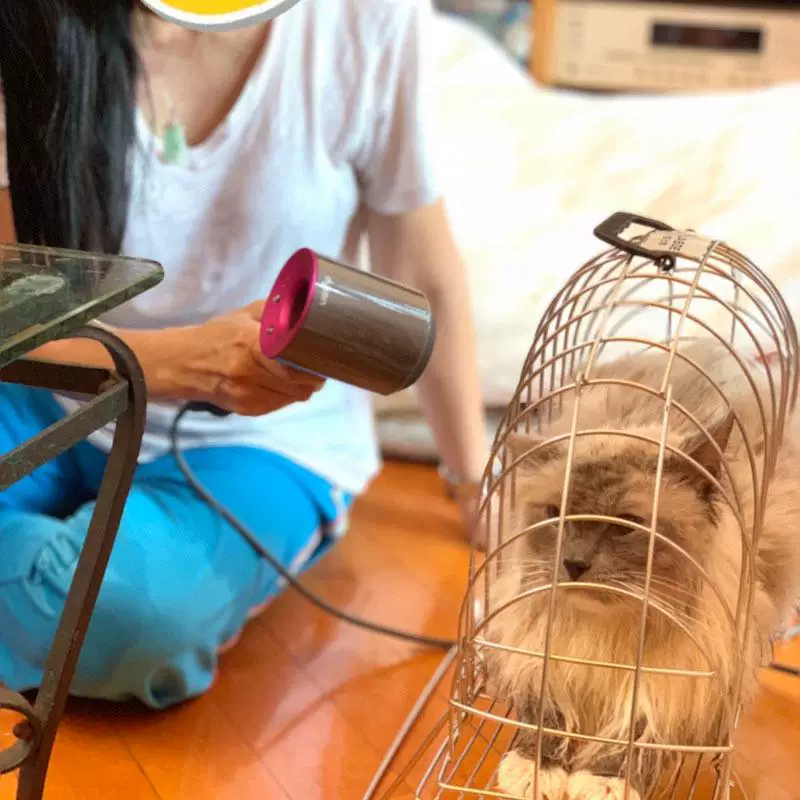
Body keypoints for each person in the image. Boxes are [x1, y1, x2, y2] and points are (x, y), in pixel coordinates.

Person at [0, 0, 487, 709]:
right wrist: (175, 363)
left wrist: (474, 479)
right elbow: (15, 299)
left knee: (131, 617)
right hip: (45, 383)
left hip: (258, 440)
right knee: (88, 605)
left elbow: (419, 261)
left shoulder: (368, 17)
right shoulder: (30, 19)